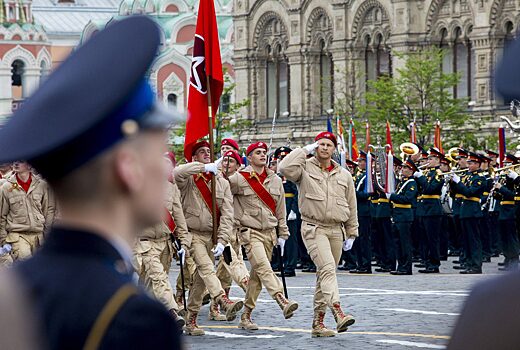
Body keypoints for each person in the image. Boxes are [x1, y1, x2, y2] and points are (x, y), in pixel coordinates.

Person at [0, 17, 183, 349]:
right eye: (160, 152)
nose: (166, 170)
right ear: (129, 169)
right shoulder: (136, 320)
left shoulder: (14, 291)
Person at [279, 132, 358, 338]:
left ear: (334, 149)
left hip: (336, 230)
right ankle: (338, 311)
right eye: (320, 144)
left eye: (328, 145)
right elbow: (284, 168)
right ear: (316, 146)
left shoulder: (344, 174)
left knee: (324, 274)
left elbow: (351, 204)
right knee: (328, 269)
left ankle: (318, 323)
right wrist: (303, 150)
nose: (324, 148)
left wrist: (352, 232)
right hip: (314, 227)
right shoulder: (304, 167)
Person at [174, 140, 243, 335]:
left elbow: (228, 214)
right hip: (192, 233)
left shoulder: (221, 181)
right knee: (206, 268)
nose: (206, 154)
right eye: (201, 152)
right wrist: (203, 168)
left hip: (211, 236)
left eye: (208, 152)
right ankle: (223, 300)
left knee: (200, 280)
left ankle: (192, 319)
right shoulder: (189, 179)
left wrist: (222, 241)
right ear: (194, 158)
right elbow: (177, 173)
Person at [228, 142, 298, 330]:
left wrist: (283, 233)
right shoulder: (239, 178)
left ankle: (246, 315)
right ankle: (281, 298)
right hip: (250, 233)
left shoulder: (275, 180)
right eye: (257, 152)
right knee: (264, 267)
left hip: (269, 233)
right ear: (249, 157)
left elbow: (280, 208)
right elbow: (221, 192)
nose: (262, 155)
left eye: (264, 152)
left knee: (257, 277)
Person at [132, 155, 191, 327]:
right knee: (159, 279)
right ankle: (172, 312)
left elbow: (179, 217)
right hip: (144, 242)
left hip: (165, 243)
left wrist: (184, 244)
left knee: (151, 284)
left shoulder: (172, 188)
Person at [212, 149, 250, 321]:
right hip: (219, 231)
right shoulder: (216, 180)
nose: (227, 164)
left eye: (231, 161)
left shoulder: (241, 181)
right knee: (232, 260)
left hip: (235, 229)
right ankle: (246, 282)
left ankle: (216, 306)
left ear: (238, 165)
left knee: (223, 271)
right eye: (225, 161)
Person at [0, 160, 56, 261]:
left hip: (39, 236)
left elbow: (49, 210)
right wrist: (3, 241)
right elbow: (2, 216)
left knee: (43, 264)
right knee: (26, 263)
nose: (16, 164)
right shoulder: (6, 187)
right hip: (18, 236)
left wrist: (49, 233)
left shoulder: (41, 185)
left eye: (20, 161)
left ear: (29, 165)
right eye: (15, 162)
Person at [449, 152, 486, 274]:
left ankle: (476, 266)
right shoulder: (468, 176)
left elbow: (469, 192)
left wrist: (458, 182)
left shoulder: (480, 178)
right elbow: (456, 192)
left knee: (474, 240)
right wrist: (452, 182)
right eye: (469, 162)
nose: (468, 165)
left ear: (477, 164)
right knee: (467, 240)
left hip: (473, 211)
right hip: (465, 210)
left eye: (471, 163)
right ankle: (469, 264)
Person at [413, 148, 444, 273]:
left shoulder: (438, 173)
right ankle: (426, 261)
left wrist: (420, 178)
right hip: (423, 208)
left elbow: (430, 189)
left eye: (431, 159)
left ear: (437, 160)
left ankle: (434, 264)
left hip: (432, 209)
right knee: (424, 238)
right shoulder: (427, 173)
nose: (428, 161)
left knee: (432, 238)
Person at [387, 159, 418, 275]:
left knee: (405, 243)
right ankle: (400, 266)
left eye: (405, 168)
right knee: (398, 243)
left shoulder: (412, 183)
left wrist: (392, 197)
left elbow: (407, 199)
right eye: (402, 167)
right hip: (397, 215)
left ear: (411, 171)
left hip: (405, 216)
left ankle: (406, 267)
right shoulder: (402, 182)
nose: (402, 170)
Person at [350, 151, 372, 274]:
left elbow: (367, 193)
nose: (360, 163)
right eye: (359, 161)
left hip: (364, 210)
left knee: (364, 239)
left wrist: (353, 193)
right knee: (357, 239)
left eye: (363, 161)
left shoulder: (368, 176)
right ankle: (360, 264)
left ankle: (366, 264)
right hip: (357, 210)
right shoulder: (359, 176)